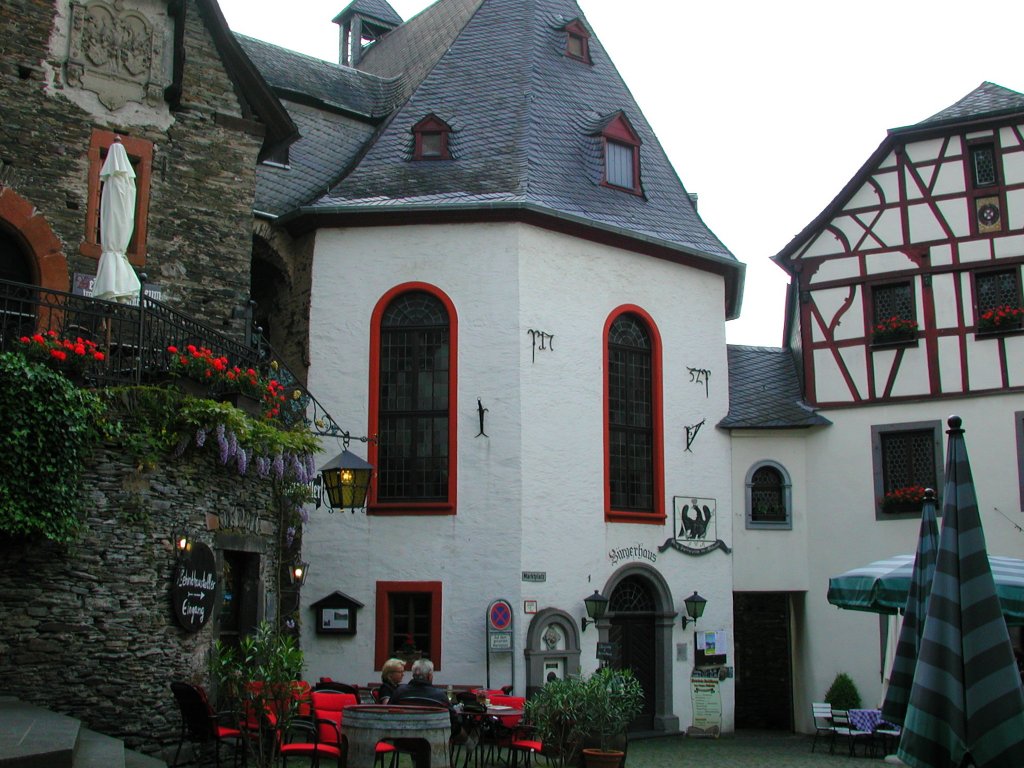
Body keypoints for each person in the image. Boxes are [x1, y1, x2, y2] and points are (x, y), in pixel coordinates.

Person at [389, 658, 463, 768]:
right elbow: (454, 722)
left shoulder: (399, 692)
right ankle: (469, 742)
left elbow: (389, 716)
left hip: (403, 740)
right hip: (432, 741)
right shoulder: (439, 696)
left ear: (413, 675)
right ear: (429, 676)